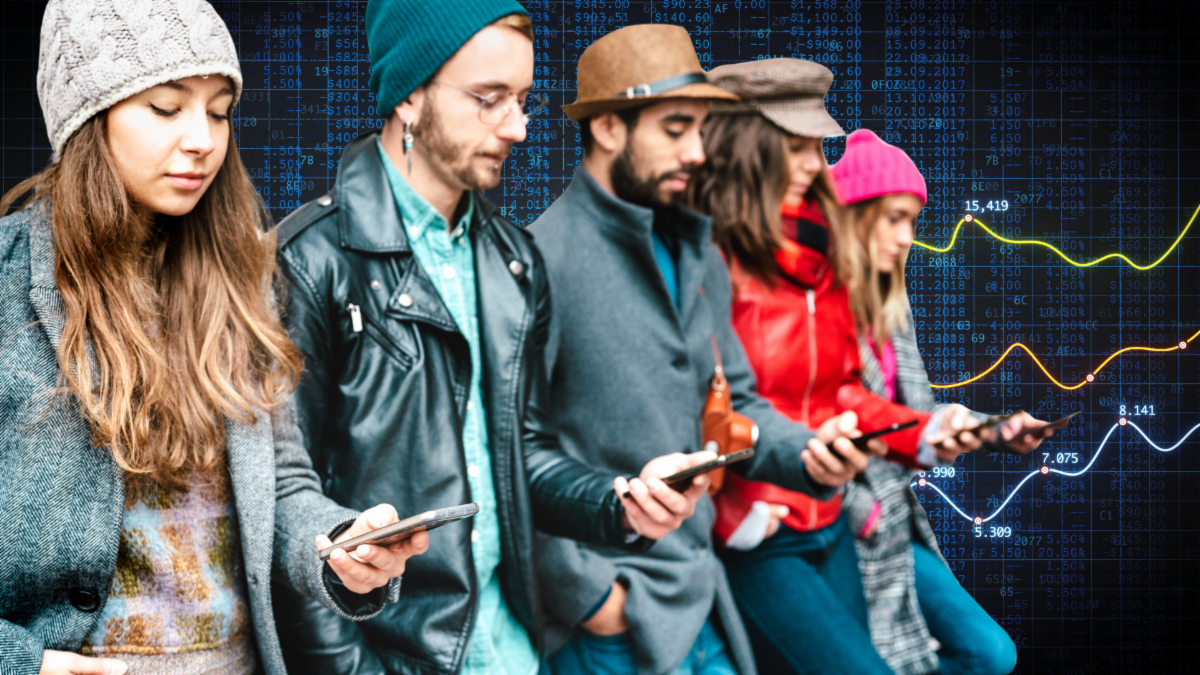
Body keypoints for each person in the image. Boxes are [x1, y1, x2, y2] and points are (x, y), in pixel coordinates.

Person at [271, 4, 712, 675]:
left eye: (523, 99)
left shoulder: (515, 261)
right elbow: (280, 509)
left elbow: (521, 452)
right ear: (409, 96)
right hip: (390, 657)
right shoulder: (307, 262)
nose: (519, 126)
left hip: (517, 648)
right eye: (488, 99)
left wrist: (618, 501)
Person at [0, 2, 423, 675]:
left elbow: (279, 482)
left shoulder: (241, 279)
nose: (202, 138)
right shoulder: (6, 281)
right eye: (167, 108)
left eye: (219, 110)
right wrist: (22, 662)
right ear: (85, 117)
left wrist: (336, 546)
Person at [529, 27, 877, 675]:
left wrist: (808, 453)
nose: (697, 151)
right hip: (612, 625)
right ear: (608, 128)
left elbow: (738, 402)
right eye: (676, 129)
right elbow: (512, 449)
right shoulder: (537, 262)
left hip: (700, 595)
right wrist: (591, 597)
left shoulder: (699, 250)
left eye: (703, 130)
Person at [688, 59, 1052, 675]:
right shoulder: (694, 262)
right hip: (761, 534)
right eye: (799, 148)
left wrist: (938, 433)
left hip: (828, 518)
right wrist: (736, 515)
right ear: (747, 150)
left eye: (817, 149)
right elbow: (681, 408)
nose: (814, 166)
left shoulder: (814, 270)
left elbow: (844, 394)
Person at [830, 128, 1047, 675]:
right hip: (843, 525)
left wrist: (994, 428)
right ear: (853, 218)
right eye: (892, 219)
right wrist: (864, 510)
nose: (906, 237)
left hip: (897, 519)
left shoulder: (890, 312)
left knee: (989, 652)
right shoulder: (812, 309)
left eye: (912, 221)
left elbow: (914, 420)